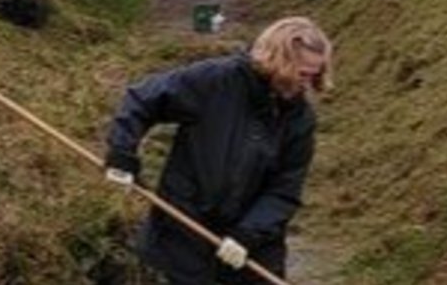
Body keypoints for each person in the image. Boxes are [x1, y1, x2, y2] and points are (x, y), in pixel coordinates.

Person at [104, 17, 333, 284]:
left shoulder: (300, 119)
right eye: (302, 74)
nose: (307, 84)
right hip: (183, 234)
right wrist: (121, 154)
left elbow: (285, 189)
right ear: (278, 60)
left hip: (253, 250)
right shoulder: (214, 81)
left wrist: (248, 234)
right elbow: (142, 100)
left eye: (314, 75)